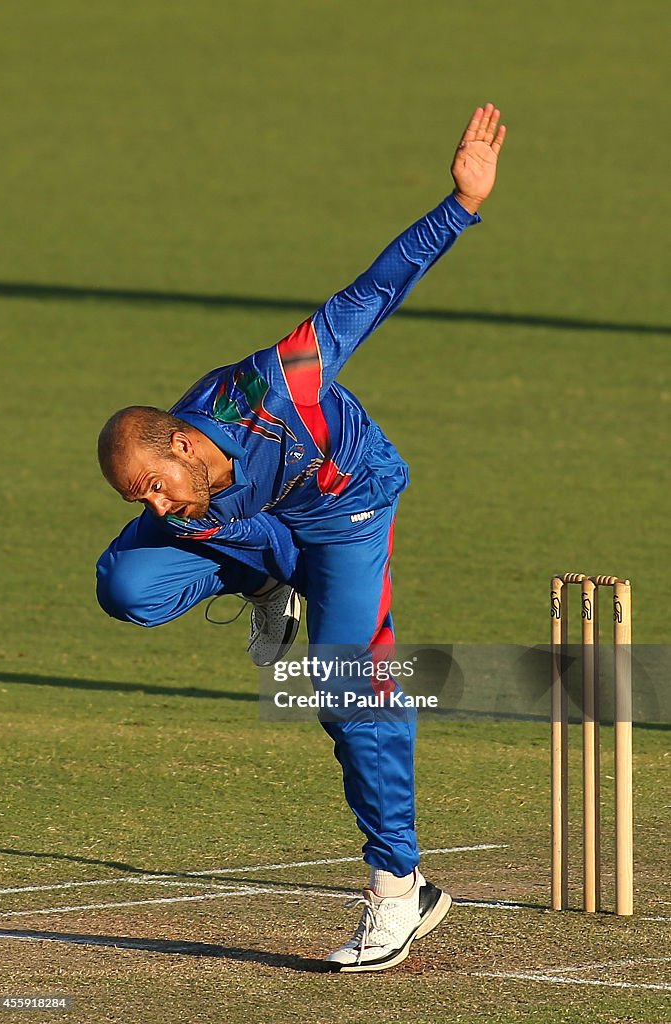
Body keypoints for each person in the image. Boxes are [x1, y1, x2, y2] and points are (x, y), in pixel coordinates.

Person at [96, 104, 506, 972]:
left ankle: (401, 890)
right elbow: (169, 524)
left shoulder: (284, 379)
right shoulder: (186, 489)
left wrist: (460, 205)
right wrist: (200, 530)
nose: (158, 508)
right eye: (143, 499)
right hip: (260, 532)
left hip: (344, 512)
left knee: (348, 691)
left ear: (180, 442)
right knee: (126, 584)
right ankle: (265, 584)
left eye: (154, 489)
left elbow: (377, 287)